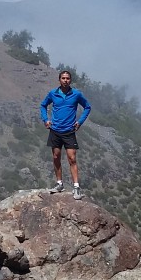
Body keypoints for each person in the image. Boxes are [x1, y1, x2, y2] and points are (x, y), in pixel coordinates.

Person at [40, 70, 91, 199]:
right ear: (59, 80)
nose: (65, 80)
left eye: (67, 78)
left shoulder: (76, 94)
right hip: (55, 130)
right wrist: (45, 120)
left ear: (70, 80)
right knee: (56, 157)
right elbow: (43, 105)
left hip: (69, 131)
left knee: (72, 158)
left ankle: (76, 187)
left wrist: (79, 122)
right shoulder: (53, 94)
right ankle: (59, 184)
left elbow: (87, 107)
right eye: (63, 78)